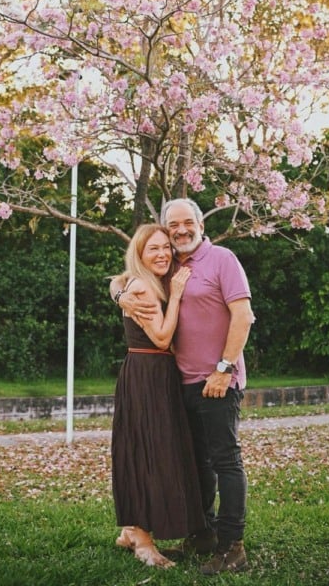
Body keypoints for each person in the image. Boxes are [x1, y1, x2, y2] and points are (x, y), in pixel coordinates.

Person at [113, 199, 255, 575]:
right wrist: (118, 293)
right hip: (180, 383)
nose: (180, 230)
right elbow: (127, 275)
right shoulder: (171, 264)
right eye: (172, 225)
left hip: (217, 381)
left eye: (187, 222)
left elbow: (243, 316)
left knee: (225, 461)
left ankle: (232, 548)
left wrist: (224, 369)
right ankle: (203, 534)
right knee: (196, 463)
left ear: (200, 224)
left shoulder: (222, 259)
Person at [110, 223, 206, 570]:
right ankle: (143, 541)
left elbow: (116, 281)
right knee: (146, 451)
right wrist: (176, 295)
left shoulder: (142, 282)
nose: (163, 253)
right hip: (148, 373)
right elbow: (163, 338)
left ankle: (132, 531)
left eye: (166, 247)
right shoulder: (143, 288)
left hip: (155, 373)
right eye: (153, 249)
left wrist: (116, 291)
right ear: (140, 254)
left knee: (150, 449)